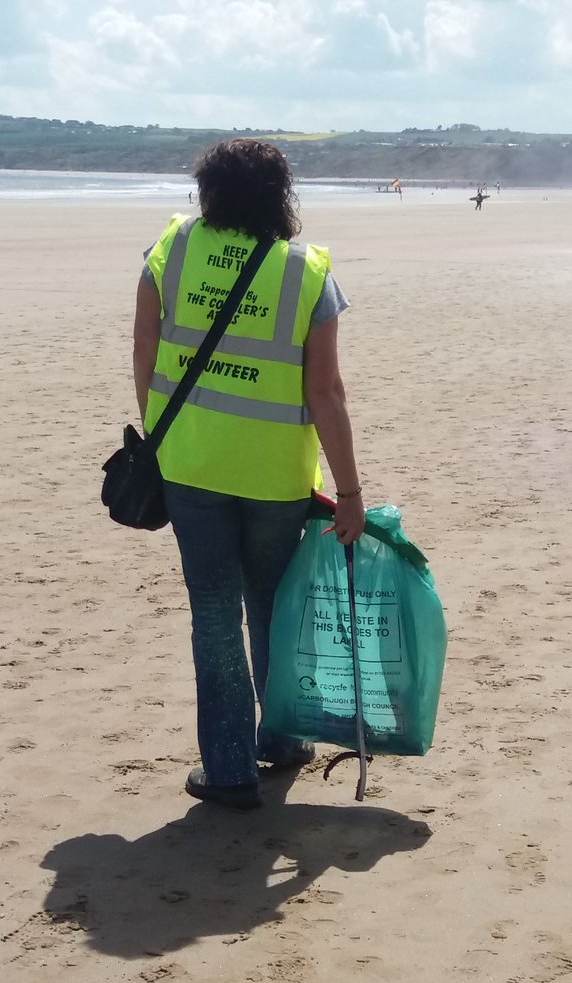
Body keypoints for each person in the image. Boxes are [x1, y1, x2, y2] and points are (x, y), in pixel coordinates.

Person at [132, 138, 365, 810]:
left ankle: (229, 769)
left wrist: (160, 434)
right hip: (275, 475)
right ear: (279, 195)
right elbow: (326, 391)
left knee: (213, 613)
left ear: (207, 190)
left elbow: (144, 347)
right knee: (270, 606)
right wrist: (349, 491)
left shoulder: (171, 250)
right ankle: (284, 740)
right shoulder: (307, 272)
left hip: (191, 464)